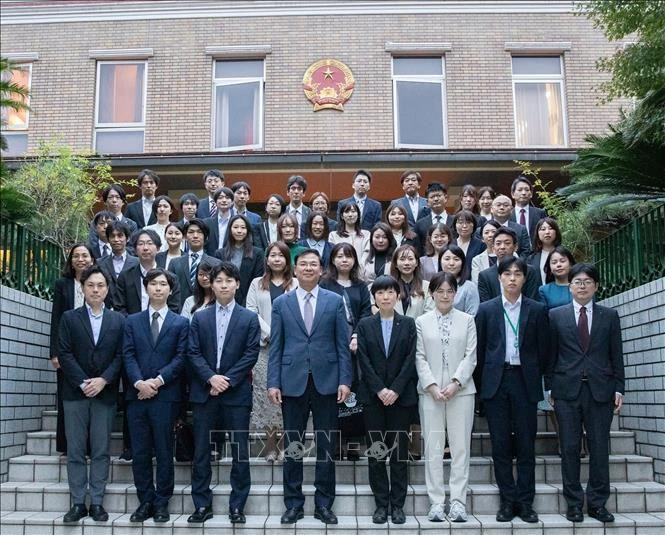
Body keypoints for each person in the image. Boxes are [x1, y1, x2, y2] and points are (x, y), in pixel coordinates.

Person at [267, 249, 352, 525]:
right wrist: (273, 382)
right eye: (302, 263)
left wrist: (345, 380)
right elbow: (276, 346)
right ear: (295, 268)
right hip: (292, 382)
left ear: (321, 269)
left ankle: (324, 504)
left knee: (326, 446)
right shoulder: (281, 302)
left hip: (327, 381)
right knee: (293, 446)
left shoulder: (335, 301)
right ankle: (293, 504)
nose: (307, 268)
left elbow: (342, 345)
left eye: (313, 264)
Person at [546, 263, 625, 524]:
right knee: (569, 448)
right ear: (569, 286)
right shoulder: (556, 315)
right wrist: (550, 387)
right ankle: (574, 503)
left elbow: (617, 355)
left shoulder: (609, 316)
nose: (582, 286)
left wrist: (619, 388)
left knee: (599, 448)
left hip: (600, 391)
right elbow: (551, 355)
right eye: (577, 281)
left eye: (587, 281)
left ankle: (598, 503)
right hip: (566, 390)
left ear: (596, 286)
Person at [475, 257, 550, 523]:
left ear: (524, 278)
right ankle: (507, 501)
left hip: (525, 381)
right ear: (499, 278)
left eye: (518, 274)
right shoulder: (486, 310)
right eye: (507, 274)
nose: (512, 278)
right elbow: (480, 351)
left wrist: (541, 378)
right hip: (496, 382)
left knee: (527, 443)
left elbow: (545, 349)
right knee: (501, 443)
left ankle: (526, 502)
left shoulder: (537, 310)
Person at [187, 262, 261, 524]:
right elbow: (192, 352)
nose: (223, 285)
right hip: (204, 392)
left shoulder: (249, 318)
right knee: (202, 451)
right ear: (211, 284)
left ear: (237, 284)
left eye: (229, 281)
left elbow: (251, 354)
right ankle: (201, 505)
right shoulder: (200, 316)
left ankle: (237, 505)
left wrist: (227, 380)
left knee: (240, 450)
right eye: (218, 280)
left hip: (236, 393)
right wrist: (211, 377)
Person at [58, 265, 125, 523]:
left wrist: (104, 380)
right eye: (90, 286)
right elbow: (64, 352)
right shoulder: (69, 318)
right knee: (75, 450)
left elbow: (121, 355)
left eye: (100, 286)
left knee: (100, 450)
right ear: (82, 288)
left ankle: (97, 502)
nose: (95, 290)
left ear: (107, 289)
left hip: (104, 393)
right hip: (75, 393)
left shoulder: (118, 320)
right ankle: (77, 503)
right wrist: (83, 381)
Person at [123, 268, 188, 524]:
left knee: (163, 451)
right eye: (153, 284)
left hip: (166, 396)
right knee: (140, 452)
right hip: (137, 395)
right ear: (146, 288)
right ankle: (145, 501)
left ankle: (162, 502)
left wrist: (157, 381)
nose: (158, 288)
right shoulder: (132, 321)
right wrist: (140, 382)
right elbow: (127, 355)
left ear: (170, 290)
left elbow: (181, 357)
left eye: (163, 284)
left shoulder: (180, 323)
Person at [415, 272, 477, 523]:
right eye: (439, 291)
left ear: (456, 293)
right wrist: (430, 385)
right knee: (434, 448)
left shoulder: (468, 320)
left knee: (460, 448)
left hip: (461, 392)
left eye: (449, 291)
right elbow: (419, 356)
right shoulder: (421, 321)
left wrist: (455, 383)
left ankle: (459, 502)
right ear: (432, 293)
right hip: (430, 393)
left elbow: (471, 355)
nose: (444, 295)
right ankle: (437, 502)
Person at [356, 275, 417, 525]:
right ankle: (381, 504)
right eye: (380, 293)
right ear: (374, 297)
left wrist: (395, 390)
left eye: (390, 292)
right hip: (373, 398)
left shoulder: (409, 324)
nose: (385, 297)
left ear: (398, 295)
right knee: (376, 453)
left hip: (400, 399)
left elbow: (410, 360)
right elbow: (364, 361)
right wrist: (380, 389)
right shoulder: (365, 325)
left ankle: (398, 505)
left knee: (399, 453)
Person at [246, 242, 298, 461]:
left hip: (291, 348)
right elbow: (251, 311)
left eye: (281, 255)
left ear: (287, 259)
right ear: (266, 259)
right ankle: (270, 444)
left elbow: (298, 311)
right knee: (267, 396)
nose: (276, 259)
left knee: (289, 395)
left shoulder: (295, 283)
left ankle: (287, 443)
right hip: (265, 348)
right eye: (272, 255)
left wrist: (284, 335)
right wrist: (270, 333)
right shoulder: (257, 283)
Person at [320, 243, 372, 460]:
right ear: (332, 259)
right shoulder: (325, 284)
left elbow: (366, 313)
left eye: (348, 256)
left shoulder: (360, 285)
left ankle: (352, 443)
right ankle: (336, 443)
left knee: (354, 394)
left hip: (355, 346)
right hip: (331, 344)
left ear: (354, 260)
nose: (344, 260)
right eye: (339, 256)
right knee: (334, 393)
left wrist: (356, 335)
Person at [50, 243, 96, 455]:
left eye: (85, 255)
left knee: (90, 396)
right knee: (66, 396)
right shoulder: (63, 284)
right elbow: (56, 318)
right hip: (67, 346)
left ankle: (88, 445)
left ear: (92, 259)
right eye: (76, 256)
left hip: (91, 345)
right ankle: (66, 445)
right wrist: (55, 352)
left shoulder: (99, 282)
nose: (81, 259)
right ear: (71, 260)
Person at [168, 219, 220, 312]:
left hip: (208, 311)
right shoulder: (174, 263)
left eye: (199, 232)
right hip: (179, 313)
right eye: (191, 232)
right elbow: (170, 292)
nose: (195, 236)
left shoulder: (216, 263)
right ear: (185, 237)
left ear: (206, 237)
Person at [477, 227, 540, 302]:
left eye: (507, 243)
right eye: (498, 244)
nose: (502, 247)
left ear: (515, 247)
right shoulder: (485, 276)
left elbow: (532, 301)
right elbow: (485, 306)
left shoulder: (529, 271)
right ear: (493, 248)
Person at [214, 214, 264, 306]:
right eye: (235, 227)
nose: (239, 231)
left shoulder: (257, 253)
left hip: (250, 300)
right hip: (225, 300)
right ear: (230, 230)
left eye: (243, 227)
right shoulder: (220, 254)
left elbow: (257, 280)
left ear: (248, 230)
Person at [87, 184, 138, 252]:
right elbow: (92, 244)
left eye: (117, 197)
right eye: (110, 197)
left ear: (123, 201)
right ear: (105, 202)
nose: (114, 200)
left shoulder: (131, 224)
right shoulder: (96, 222)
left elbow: (132, 248)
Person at [439, 245, 480, 316]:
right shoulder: (434, 285)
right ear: (440, 261)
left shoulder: (469, 287)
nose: (451, 263)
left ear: (462, 262)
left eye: (456, 259)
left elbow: (472, 315)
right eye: (447, 259)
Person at [415, 182, 453, 252]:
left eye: (438, 196)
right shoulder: (419, 224)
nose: (436, 199)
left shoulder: (455, 221)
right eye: (432, 197)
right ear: (427, 202)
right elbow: (418, 249)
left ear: (446, 198)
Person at [509, 175, 547, 240]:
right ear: (512, 194)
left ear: (531, 194)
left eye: (527, 190)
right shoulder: (508, 214)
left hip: (535, 249)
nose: (523, 193)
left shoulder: (540, 213)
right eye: (520, 190)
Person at [528, 217, 562, 286]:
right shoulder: (531, 258)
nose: (547, 232)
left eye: (550, 228)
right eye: (543, 229)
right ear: (537, 234)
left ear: (556, 232)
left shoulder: (564, 255)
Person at [453, 210, 486, 280]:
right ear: (455, 225)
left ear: (474, 225)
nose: (464, 226)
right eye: (460, 222)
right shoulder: (450, 244)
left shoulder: (481, 245)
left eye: (468, 222)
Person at [203, 186, 234, 255]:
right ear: (215, 202)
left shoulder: (236, 223)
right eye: (220, 198)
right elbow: (203, 244)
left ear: (232, 202)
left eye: (227, 198)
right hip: (210, 261)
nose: (224, 200)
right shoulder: (206, 223)